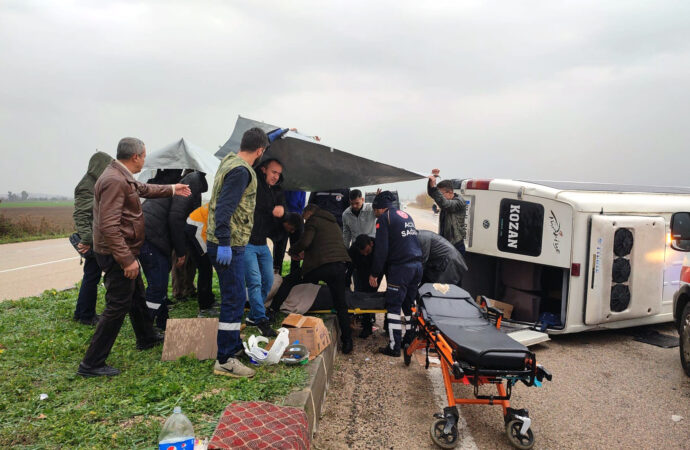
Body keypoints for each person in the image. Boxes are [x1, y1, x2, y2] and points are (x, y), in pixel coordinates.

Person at [77, 137, 191, 377]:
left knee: (137, 295)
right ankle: (92, 363)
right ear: (136, 156)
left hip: (123, 250)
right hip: (116, 253)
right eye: (144, 155)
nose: (145, 159)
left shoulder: (120, 175)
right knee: (117, 305)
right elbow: (109, 226)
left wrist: (172, 189)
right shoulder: (114, 180)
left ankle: (146, 337)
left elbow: (144, 190)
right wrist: (126, 259)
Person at [206, 127, 268, 378]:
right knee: (232, 299)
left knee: (233, 296)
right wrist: (224, 241)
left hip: (224, 242)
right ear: (260, 151)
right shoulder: (242, 172)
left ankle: (232, 346)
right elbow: (224, 209)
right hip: (228, 245)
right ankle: (225, 360)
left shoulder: (229, 160)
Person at [269, 204, 354, 354]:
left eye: (304, 216)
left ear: (309, 212)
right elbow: (323, 244)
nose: (303, 219)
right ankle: (347, 342)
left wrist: (292, 250)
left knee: (289, 280)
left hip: (322, 266)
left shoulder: (313, 220)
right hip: (340, 266)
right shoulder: (333, 222)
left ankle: (272, 310)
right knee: (341, 305)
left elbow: (305, 242)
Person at [139, 170, 208, 329]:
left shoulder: (176, 184)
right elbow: (176, 218)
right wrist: (181, 251)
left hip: (146, 232)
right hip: (151, 237)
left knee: (159, 282)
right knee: (157, 286)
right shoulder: (188, 188)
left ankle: (163, 322)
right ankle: (145, 330)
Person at [369, 191, 423, 357]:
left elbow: (381, 249)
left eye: (375, 209)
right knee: (408, 305)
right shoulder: (406, 215)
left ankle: (394, 347)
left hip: (401, 268)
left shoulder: (385, 219)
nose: (374, 213)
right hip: (417, 266)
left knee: (393, 307)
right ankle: (409, 339)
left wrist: (375, 273)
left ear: (380, 208)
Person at [244, 158, 287, 337]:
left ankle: (253, 316)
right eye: (273, 172)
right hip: (246, 242)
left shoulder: (276, 191)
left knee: (268, 280)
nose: (276, 176)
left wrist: (283, 210)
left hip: (262, 244)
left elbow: (283, 211)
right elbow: (260, 205)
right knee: (254, 281)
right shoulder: (253, 181)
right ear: (263, 170)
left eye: (278, 173)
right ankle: (262, 321)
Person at [72, 151, 113, 325]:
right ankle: (87, 315)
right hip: (92, 238)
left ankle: (81, 312)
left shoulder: (95, 182)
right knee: (92, 276)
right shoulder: (86, 185)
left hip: (95, 236)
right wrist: (87, 239)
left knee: (91, 275)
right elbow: (81, 214)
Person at [185, 203, 216, 315]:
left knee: (206, 268)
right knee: (204, 267)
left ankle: (208, 299)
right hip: (197, 228)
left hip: (195, 224)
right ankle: (204, 305)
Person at [427, 170, 467, 254]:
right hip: (445, 243)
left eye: (441, 193)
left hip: (456, 245)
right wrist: (431, 181)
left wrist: (434, 188)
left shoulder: (459, 202)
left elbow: (445, 204)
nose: (440, 196)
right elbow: (433, 194)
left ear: (450, 192)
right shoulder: (446, 200)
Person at [273, 190, 306, 275]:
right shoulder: (282, 185)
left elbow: (302, 204)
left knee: (296, 249)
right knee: (279, 249)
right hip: (283, 219)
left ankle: (294, 275)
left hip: (297, 219)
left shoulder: (300, 187)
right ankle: (276, 274)